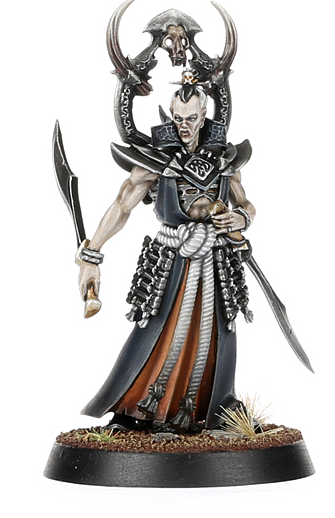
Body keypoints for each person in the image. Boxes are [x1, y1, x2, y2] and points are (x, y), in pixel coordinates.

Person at [77, 84, 255, 432]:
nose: (184, 126)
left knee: (218, 333)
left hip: (216, 259)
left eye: (191, 118)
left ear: (203, 117)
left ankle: (214, 410)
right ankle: (138, 410)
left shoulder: (224, 160)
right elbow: (122, 205)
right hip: (173, 258)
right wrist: (91, 255)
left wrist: (241, 218)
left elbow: (246, 203)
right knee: (158, 329)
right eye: (178, 118)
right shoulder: (157, 161)